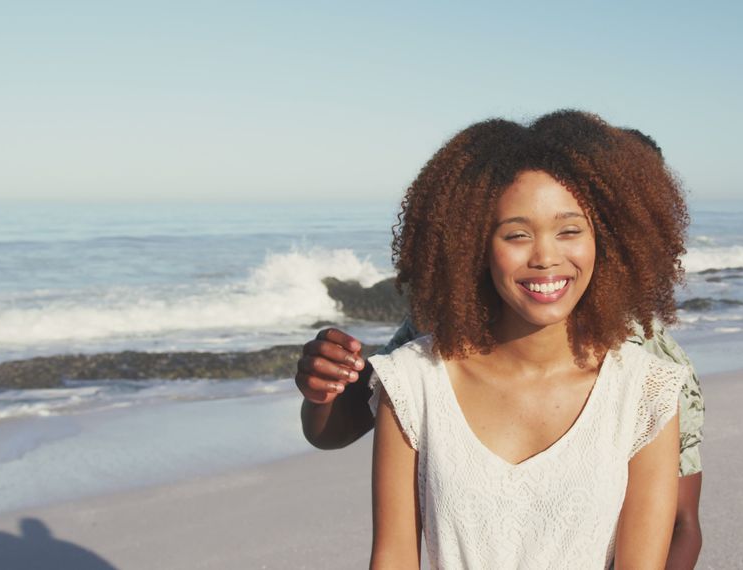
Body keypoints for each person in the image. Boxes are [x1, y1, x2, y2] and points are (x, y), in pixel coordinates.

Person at [298, 111, 703, 567]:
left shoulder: (650, 382)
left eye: (570, 229)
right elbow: (387, 546)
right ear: (472, 241)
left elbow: (680, 525)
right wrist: (321, 391)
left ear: (611, 239)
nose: (546, 256)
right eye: (516, 234)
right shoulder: (416, 373)